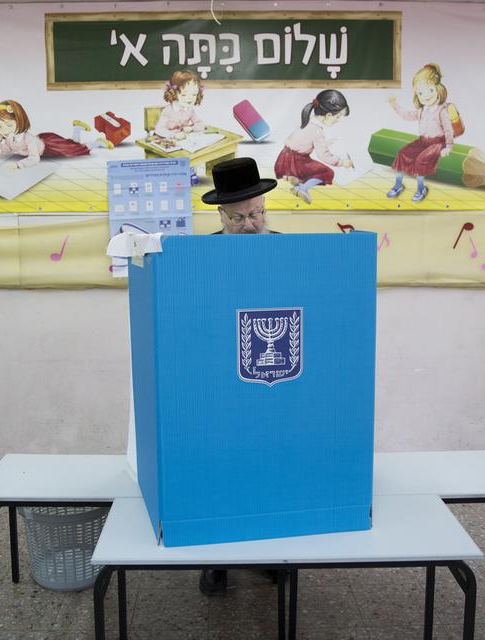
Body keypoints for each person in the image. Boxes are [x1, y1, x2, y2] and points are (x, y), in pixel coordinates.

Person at [198, 157, 280, 595]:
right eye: (240, 217)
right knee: (222, 469)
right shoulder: (199, 258)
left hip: (273, 383)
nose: (251, 224)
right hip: (220, 387)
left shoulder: (289, 251)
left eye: (258, 213)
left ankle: (270, 553)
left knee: (270, 465)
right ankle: (217, 560)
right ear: (221, 216)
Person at [386, 63, 453, 203]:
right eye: (420, 93)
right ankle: (398, 185)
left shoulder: (441, 111)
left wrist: (448, 146)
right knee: (402, 153)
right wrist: (396, 106)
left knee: (421, 160)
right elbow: (408, 115)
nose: (426, 96)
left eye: (430, 90)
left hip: (437, 143)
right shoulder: (422, 110)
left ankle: (421, 188)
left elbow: (448, 129)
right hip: (422, 141)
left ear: (437, 89)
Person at [274, 89, 352, 205]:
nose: (337, 121)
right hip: (297, 162)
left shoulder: (307, 120)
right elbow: (324, 156)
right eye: (338, 117)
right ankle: (302, 189)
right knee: (327, 172)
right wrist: (342, 162)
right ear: (329, 115)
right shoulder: (317, 131)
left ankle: (293, 179)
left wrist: (324, 143)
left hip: (283, 160)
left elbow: (300, 141)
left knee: (311, 168)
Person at [0, 100, 112, 170]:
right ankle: (77, 128)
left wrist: (18, 165)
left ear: (20, 121)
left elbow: (35, 158)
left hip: (49, 145)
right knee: (71, 144)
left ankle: (98, 143)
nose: (4, 130)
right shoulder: (8, 140)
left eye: (8, 125)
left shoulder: (27, 138)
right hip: (45, 140)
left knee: (74, 149)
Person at [154, 70, 205, 140]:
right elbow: (159, 129)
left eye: (194, 94)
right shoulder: (168, 110)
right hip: (166, 140)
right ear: (174, 93)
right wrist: (173, 135)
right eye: (184, 95)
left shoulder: (189, 109)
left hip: (182, 140)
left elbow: (200, 124)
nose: (189, 98)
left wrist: (191, 128)